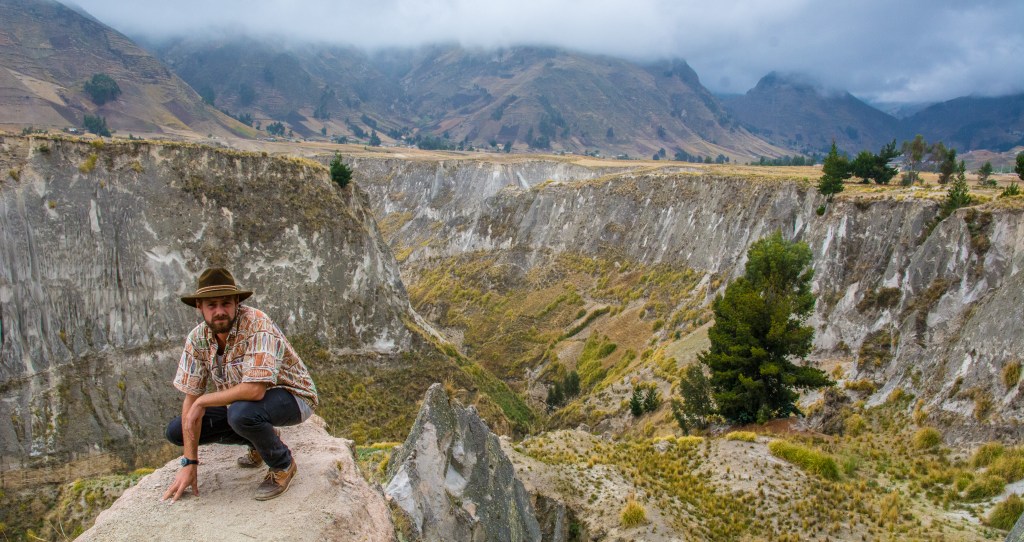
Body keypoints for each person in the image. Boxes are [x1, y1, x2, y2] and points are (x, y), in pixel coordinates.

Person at [162, 267, 318, 502]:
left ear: (236, 302)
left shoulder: (257, 324)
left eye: (225, 303)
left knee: (241, 413)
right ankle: (260, 438)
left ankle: (282, 464)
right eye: (211, 305)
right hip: (245, 404)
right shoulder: (197, 339)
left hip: (293, 397)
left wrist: (204, 400)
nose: (220, 312)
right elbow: (191, 399)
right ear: (200, 307)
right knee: (177, 431)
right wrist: (189, 462)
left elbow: (254, 391)